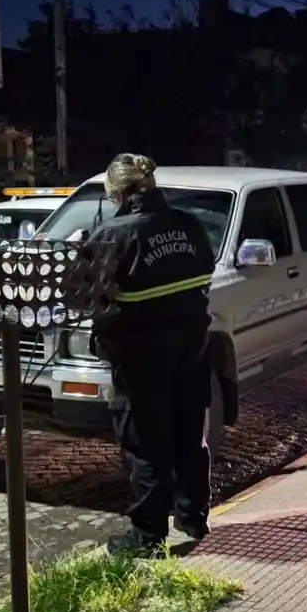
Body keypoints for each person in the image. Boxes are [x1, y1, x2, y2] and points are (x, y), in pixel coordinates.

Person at [87, 153, 218, 554]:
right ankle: (193, 517)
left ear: (119, 193)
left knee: (146, 443)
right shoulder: (189, 225)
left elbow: (81, 291)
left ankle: (147, 536)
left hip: (139, 356)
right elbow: (205, 273)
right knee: (188, 435)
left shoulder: (113, 234)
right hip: (190, 348)